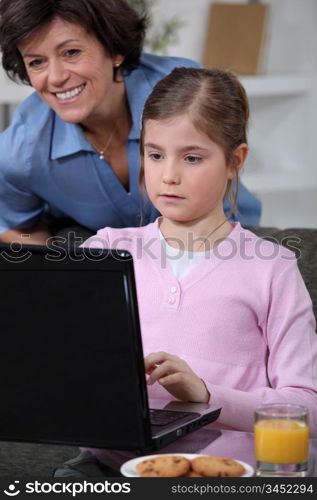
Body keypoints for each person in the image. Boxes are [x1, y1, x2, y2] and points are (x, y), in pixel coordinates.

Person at [54, 67, 317, 476]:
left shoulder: (272, 269)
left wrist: (207, 395)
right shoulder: (106, 250)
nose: (169, 175)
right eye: (155, 154)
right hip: (113, 468)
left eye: (192, 157)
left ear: (235, 161)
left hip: (228, 472)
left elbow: (308, 410)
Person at [0, 0, 261, 246]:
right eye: (36, 62)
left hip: (225, 240)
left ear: (114, 50)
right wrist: (70, 274)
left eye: (71, 52)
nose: (55, 78)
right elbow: (16, 226)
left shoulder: (183, 93)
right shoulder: (22, 149)